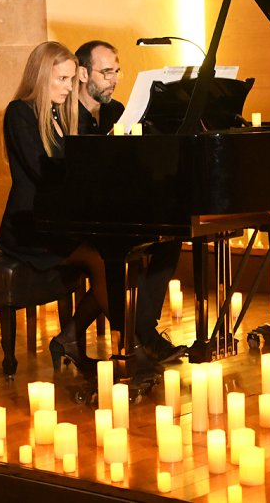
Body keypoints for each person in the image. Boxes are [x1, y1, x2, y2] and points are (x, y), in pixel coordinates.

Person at [0, 41, 109, 376]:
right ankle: (130, 343)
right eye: (60, 79)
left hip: (57, 221)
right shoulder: (20, 112)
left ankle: (71, 338)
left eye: (71, 80)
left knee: (113, 257)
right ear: (41, 76)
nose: (67, 87)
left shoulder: (62, 115)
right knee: (101, 258)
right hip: (28, 225)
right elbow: (41, 171)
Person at [75, 40, 187, 364]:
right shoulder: (70, 115)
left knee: (172, 234)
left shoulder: (117, 111)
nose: (114, 79)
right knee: (112, 252)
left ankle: (143, 326)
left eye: (117, 71)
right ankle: (143, 337)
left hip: (114, 210)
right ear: (83, 73)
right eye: (106, 72)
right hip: (83, 217)